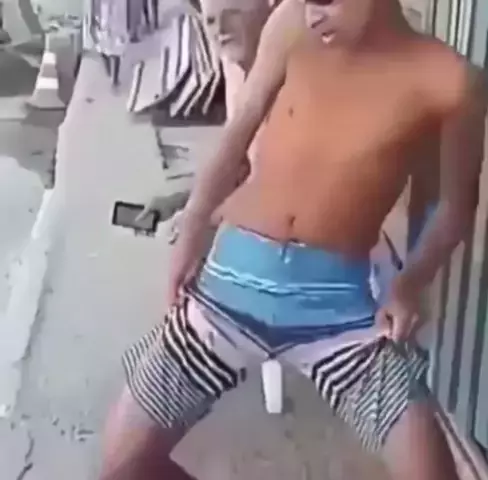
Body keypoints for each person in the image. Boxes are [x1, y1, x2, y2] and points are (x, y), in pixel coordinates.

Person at [100, 1, 487, 479]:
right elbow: (241, 126)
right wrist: (194, 224)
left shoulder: (451, 82)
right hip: (228, 289)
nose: (311, 14)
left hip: (342, 317)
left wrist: (409, 285)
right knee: (123, 466)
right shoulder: (291, 26)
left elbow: (454, 207)